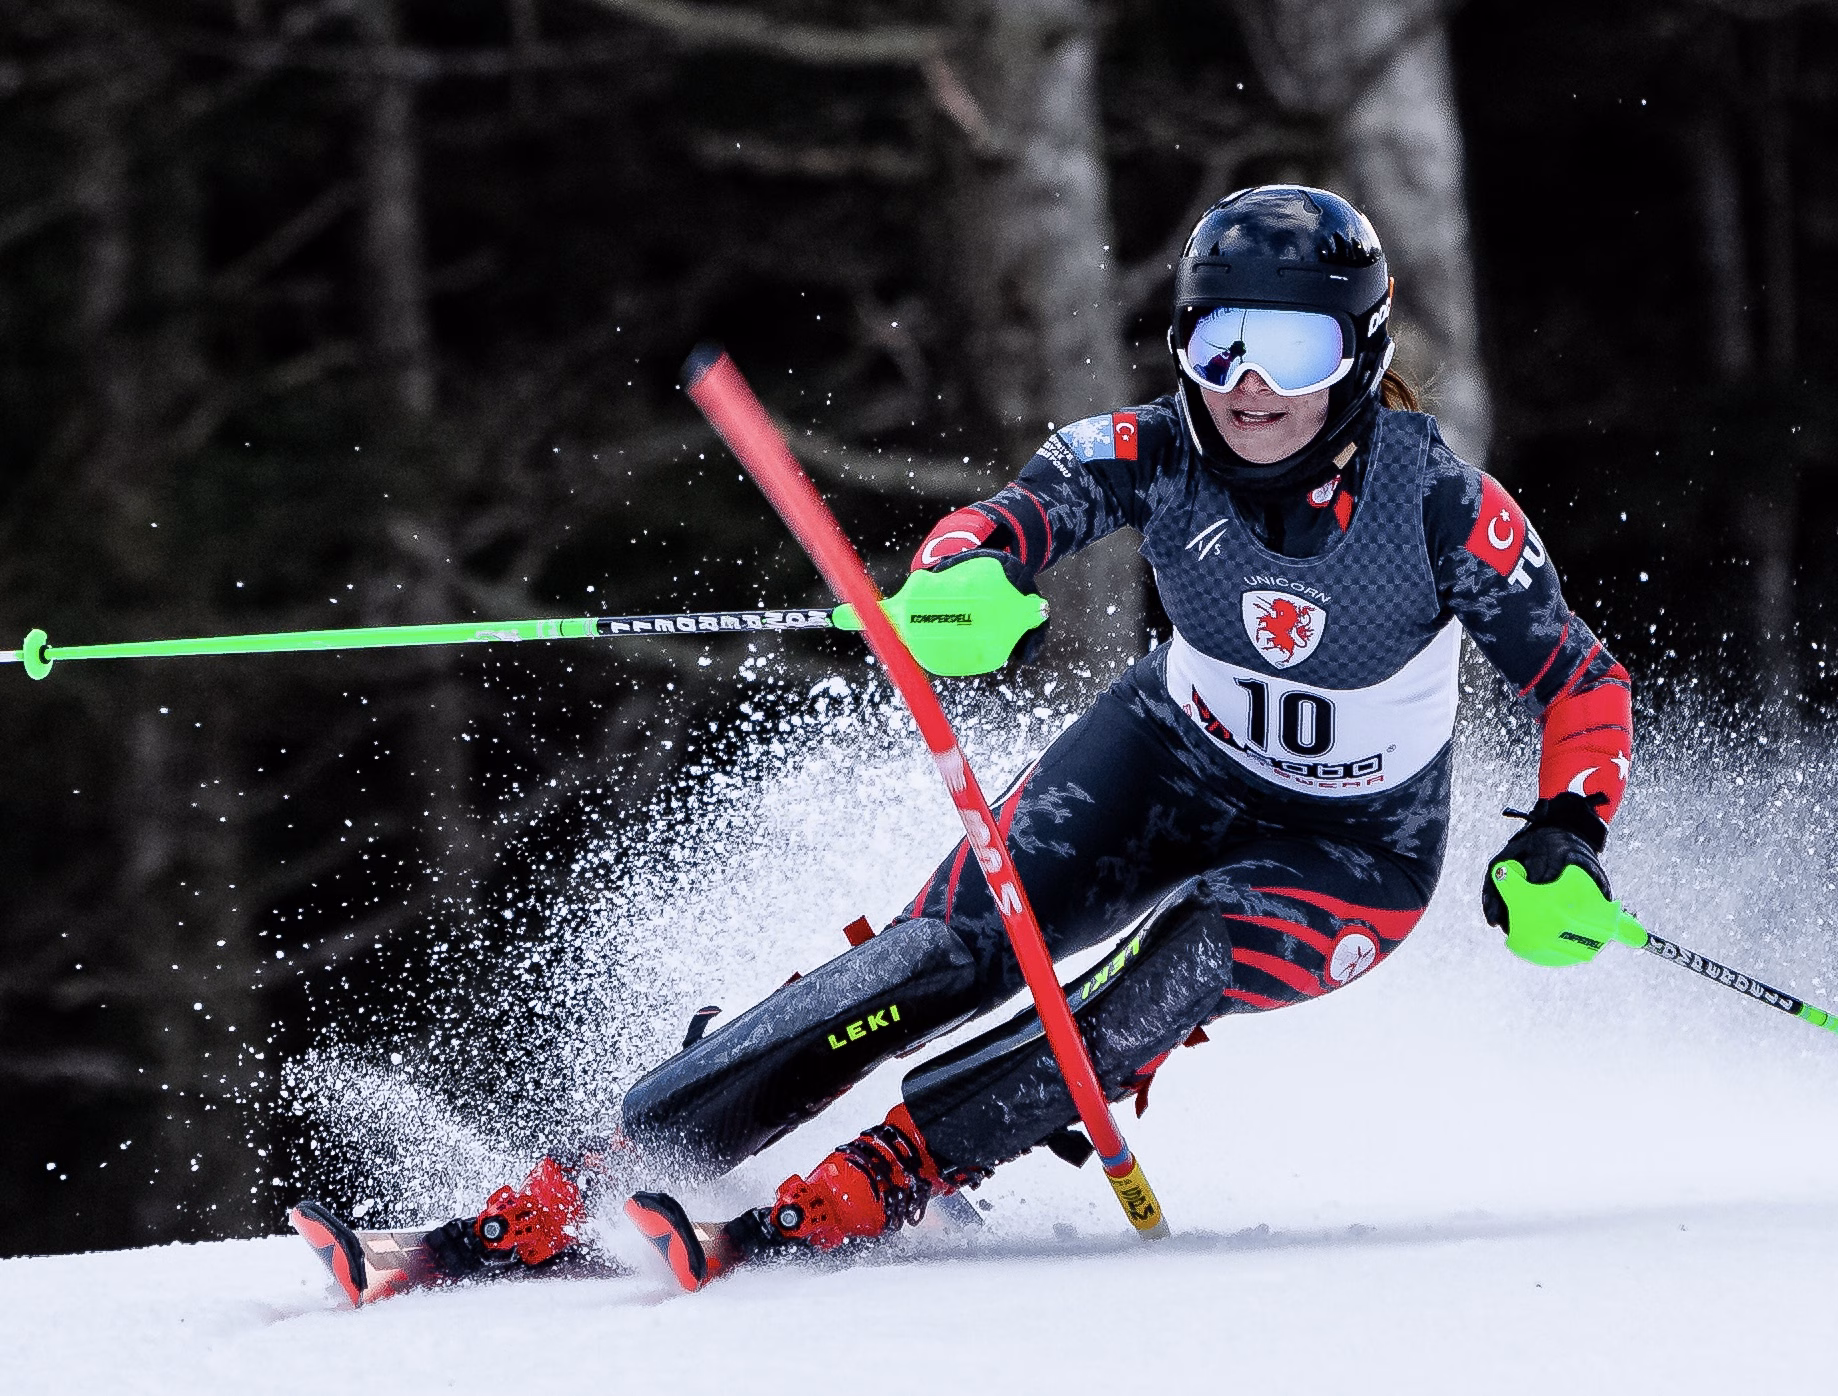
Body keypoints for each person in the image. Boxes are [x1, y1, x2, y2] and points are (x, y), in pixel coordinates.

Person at [308, 185, 1634, 1295]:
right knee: (941, 952)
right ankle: (592, 1174)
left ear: (1356, 353)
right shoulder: (1152, 450)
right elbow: (1014, 517)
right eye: (1221, 342)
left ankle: (897, 1173)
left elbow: (1580, 682)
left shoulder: (1441, 506)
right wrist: (963, 582)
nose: (1248, 387)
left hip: (1350, 843)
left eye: (1290, 353)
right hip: (1165, 761)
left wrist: (1562, 838)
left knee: (1180, 962)